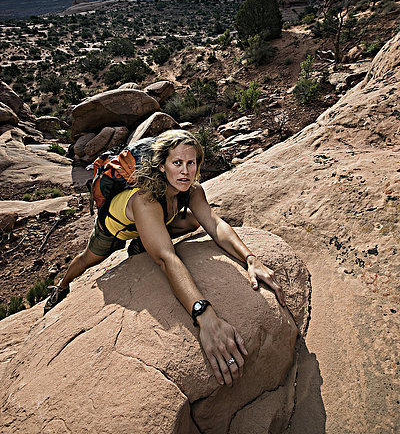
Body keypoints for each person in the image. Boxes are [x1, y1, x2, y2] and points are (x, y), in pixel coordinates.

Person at [44, 129, 285, 387]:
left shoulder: (191, 190)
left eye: (190, 163)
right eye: (177, 163)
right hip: (115, 227)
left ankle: (141, 244)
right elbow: (166, 258)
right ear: (161, 165)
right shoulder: (145, 199)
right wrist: (204, 316)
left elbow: (213, 223)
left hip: (150, 224)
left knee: (193, 222)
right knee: (87, 259)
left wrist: (250, 259)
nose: (185, 171)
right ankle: (61, 287)